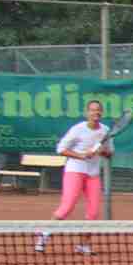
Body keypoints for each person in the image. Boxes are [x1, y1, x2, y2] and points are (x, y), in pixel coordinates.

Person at [33, 98, 112, 254]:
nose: (96, 112)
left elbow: (109, 154)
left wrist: (103, 151)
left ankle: (83, 245)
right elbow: (61, 149)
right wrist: (81, 156)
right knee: (67, 207)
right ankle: (44, 235)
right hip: (75, 170)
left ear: (101, 112)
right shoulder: (78, 129)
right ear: (87, 113)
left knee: (93, 212)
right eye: (92, 110)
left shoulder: (106, 131)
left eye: (98, 110)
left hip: (93, 174)